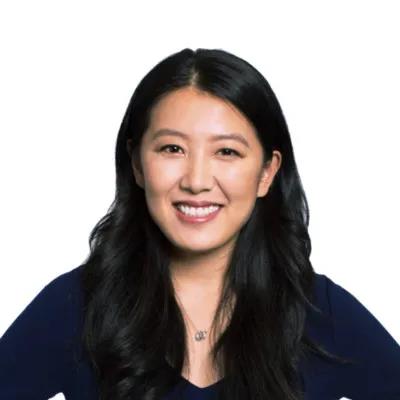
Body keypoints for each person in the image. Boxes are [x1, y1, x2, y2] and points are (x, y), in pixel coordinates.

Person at [1, 47, 399, 400]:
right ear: (137, 164)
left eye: (227, 152)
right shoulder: (75, 305)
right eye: (172, 148)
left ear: (266, 172)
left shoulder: (320, 312)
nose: (196, 180)